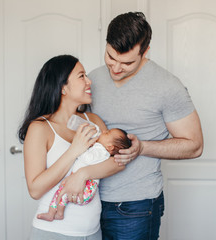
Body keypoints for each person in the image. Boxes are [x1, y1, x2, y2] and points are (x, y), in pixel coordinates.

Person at [87, 12, 204, 240]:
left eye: (127, 62)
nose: (116, 68)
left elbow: (195, 146)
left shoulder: (168, 86)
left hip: (135, 207)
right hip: (88, 202)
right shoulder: (93, 78)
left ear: (145, 51)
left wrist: (142, 148)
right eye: (111, 57)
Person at [18, 55, 125, 240]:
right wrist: (74, 150)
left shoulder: (94, 120)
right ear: (63, 88)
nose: (89, 81)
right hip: (53, 232)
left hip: (92, 232)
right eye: (81, 76)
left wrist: (83, 174)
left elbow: (118, 162)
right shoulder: (40, 128)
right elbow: (35, 189)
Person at [37, 128, 131, 222]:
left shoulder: (101, 152)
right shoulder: (99, 150)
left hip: (86, 188)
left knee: (62, 193)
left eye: (107, 133)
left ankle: (56, 213)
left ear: (110, 147)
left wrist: (80, 148)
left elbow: (88, 158)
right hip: (84, 186)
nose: (103, 131)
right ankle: (55, 213)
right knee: (61, 193)